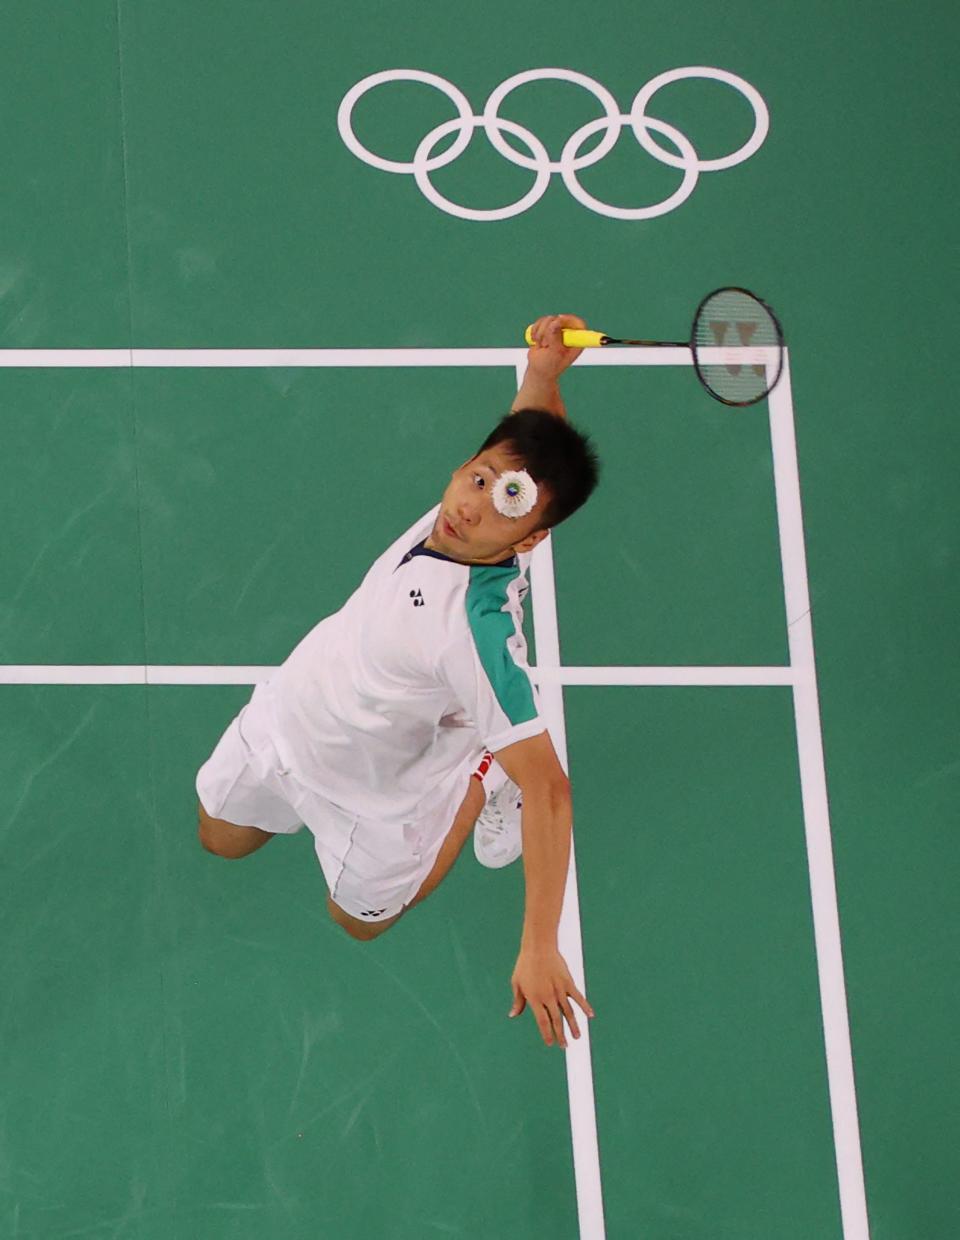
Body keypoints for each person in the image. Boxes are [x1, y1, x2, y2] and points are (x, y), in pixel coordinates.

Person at [196, 314, 600, 1049]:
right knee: (219, 838)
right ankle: (472, 757)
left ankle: (479, 772)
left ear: (534, 536)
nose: (472, 505)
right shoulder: (466, 514)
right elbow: (524, 442)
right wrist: (542, 375)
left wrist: (539, 942)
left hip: (376, 798)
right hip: (290, 720)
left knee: (355, 925)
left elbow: (549, 788)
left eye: (505, 502)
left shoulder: (473, 635)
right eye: (476, 477)